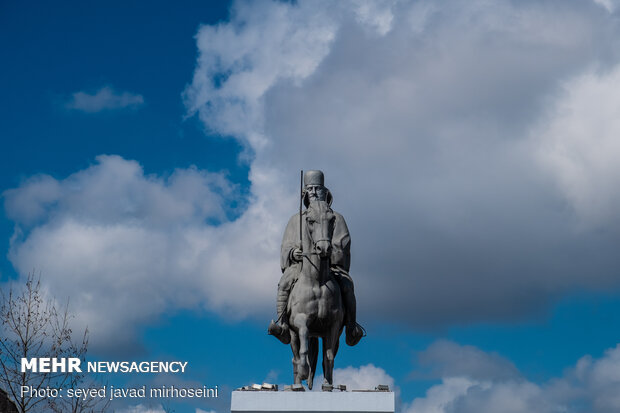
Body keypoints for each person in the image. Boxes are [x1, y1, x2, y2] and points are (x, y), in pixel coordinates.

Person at [268, 170, 365, 346]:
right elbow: (286, 245)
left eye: (317, 189)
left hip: (330, 266)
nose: (313, 192)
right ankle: (282, 324)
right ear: (304, 193)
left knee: (347, 285)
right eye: (310, 189)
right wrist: (292, 253)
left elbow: (343, 243)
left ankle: (352, 327)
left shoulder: (336, 218)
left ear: (324, 192)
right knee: (283, 284)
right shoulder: (296, 219)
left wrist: (331, 252)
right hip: (301, 266)